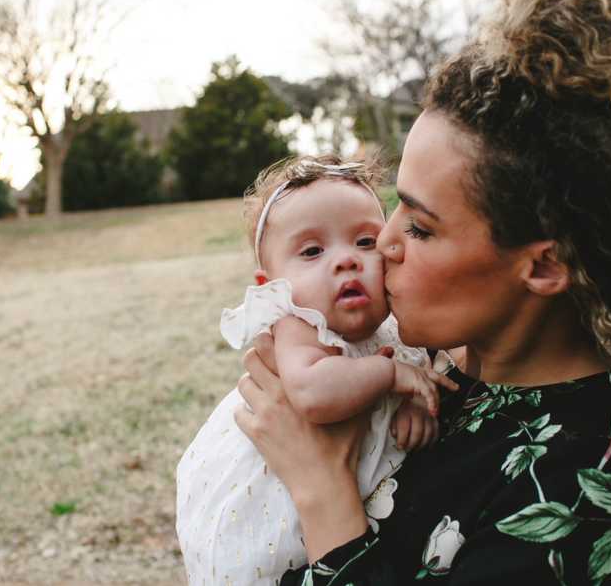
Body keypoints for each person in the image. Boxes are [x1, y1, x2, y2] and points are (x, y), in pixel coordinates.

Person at [233, 0, 611, 583]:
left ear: (543, 267)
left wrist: (320, 486)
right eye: (397, 206)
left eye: (422, 228)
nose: (385, 244)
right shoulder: (435, 358)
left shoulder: (591, 486)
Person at [175, 155, 458, 585]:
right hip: (278, 499)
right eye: (312, 251)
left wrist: (415, 403)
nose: (346, 260)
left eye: (365, 242)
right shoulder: (299, 324)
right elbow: (313, 394)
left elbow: (407, 376)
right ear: (270, 286)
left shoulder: (394, 327)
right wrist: (392, 378)